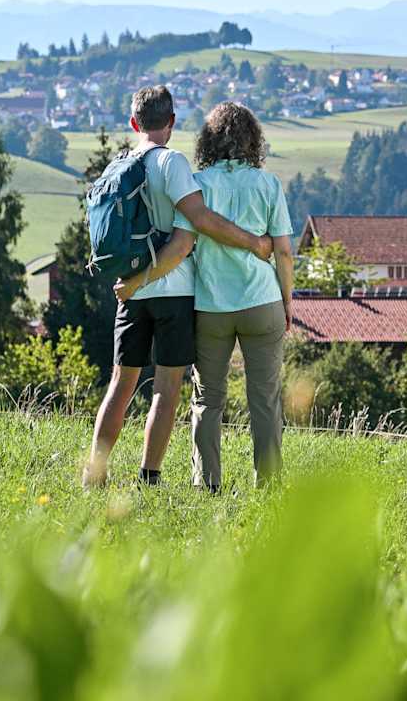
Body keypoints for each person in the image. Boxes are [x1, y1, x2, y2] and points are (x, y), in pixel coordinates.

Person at [83, 87, 272, 488]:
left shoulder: (121, 163)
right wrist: (254, 243)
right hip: (173, 292)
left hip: (129, 294)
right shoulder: (172, 162)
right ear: (171, 121)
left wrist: (133, 282)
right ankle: (149, 477)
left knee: (121, 383)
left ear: (134, 123)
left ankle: (93, 473)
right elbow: (197, 222)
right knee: (166, 389)